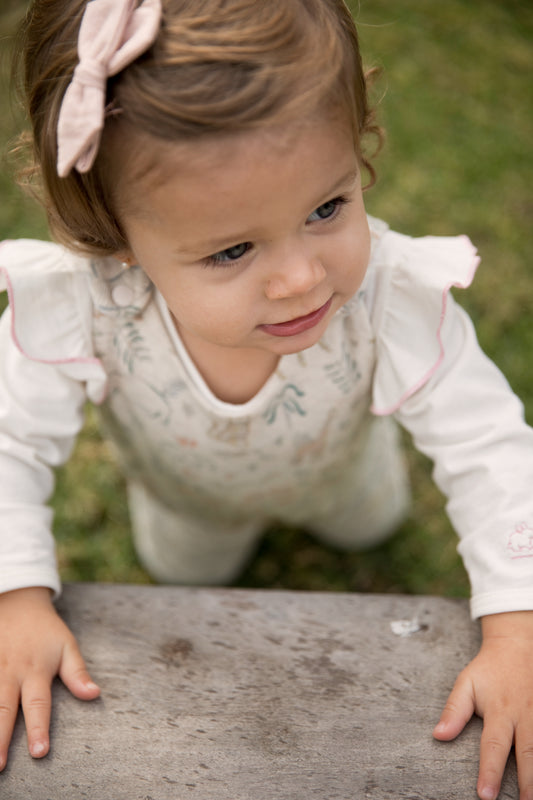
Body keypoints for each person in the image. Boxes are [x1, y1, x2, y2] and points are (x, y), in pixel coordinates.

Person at [0, 0, 531, 797]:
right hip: (188, 497)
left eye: (327, 207)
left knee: (370, 524)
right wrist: (15, 598)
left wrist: (518, 622)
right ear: (114, 235)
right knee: (183, 573)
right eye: (232, 249)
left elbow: (488, 446)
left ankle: (358, 522)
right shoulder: (85, 304)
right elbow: (7, 441)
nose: (301, 278)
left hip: (342, 471)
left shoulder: (388, 296)